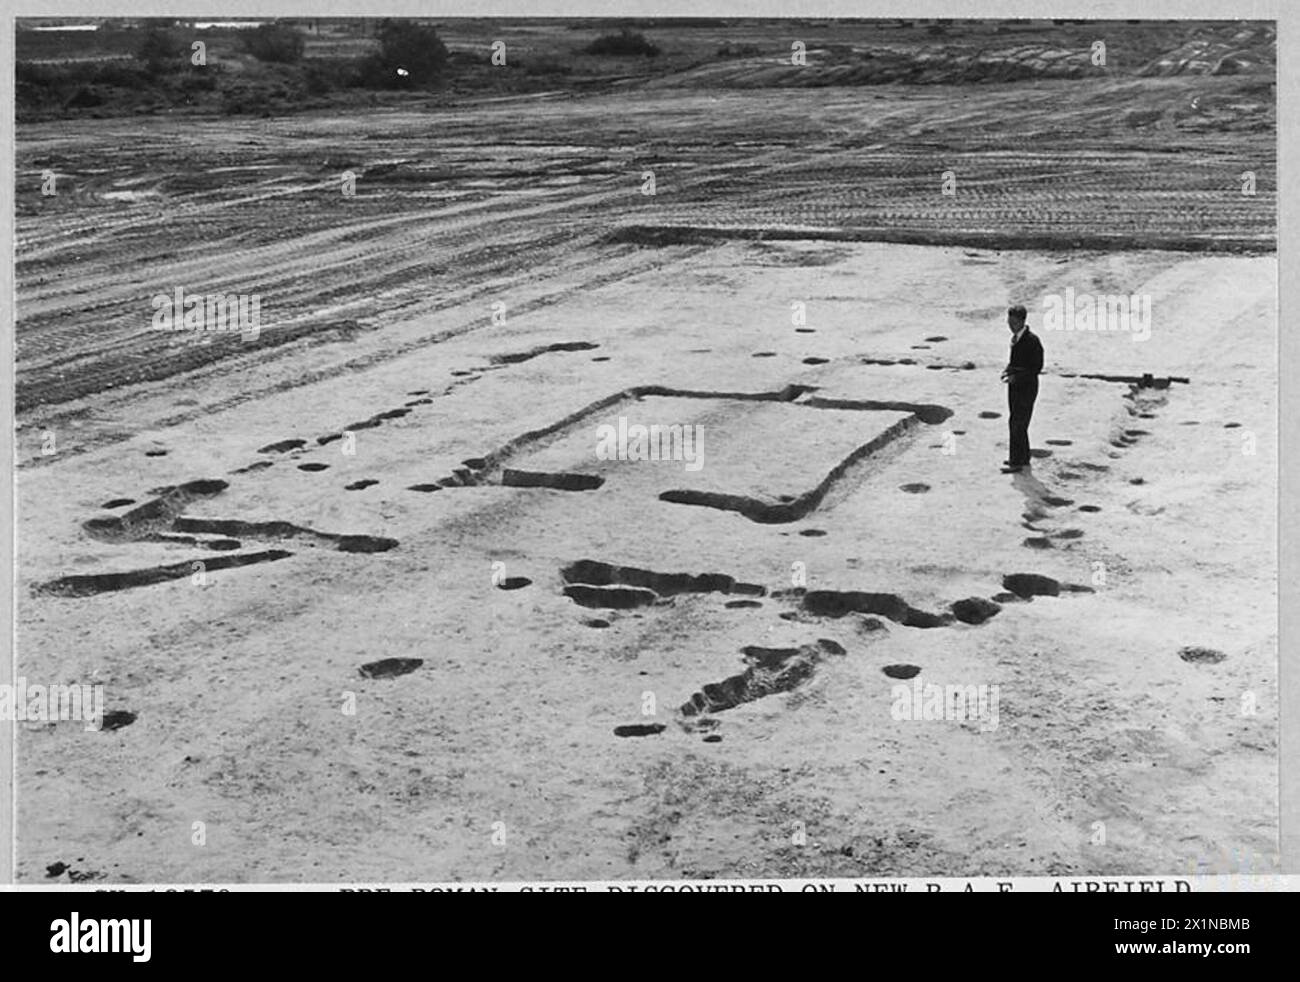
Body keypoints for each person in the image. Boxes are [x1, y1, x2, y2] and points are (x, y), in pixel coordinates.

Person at [999, 305, 1043, 472]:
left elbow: (1036, 367)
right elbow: (1016, 362)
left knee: (1019, 423)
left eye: (1014, 322)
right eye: (1009, 321)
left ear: (1022, 321)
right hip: (1015, 386)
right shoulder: (1017, 338)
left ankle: (1017, 462)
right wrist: (1008, 370)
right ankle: (1021, 458)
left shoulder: (1032, 341)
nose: (1010, 325)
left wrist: (1016, 376)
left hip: (1026, 388)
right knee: (1015, 421)